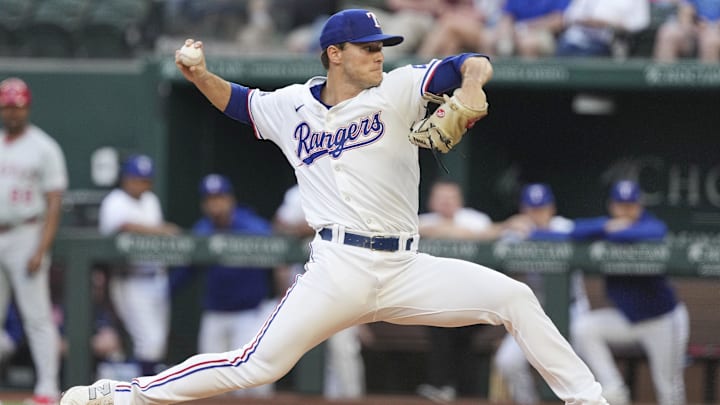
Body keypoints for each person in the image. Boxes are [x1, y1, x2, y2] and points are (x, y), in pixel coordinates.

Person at [60, 9, 609, 405]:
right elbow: (239, 103)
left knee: (513, 297)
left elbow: (475, 60)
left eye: (381, 46)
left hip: (405, 267)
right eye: (369, 47)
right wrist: (199, 74)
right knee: (258, 364)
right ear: (334, 53)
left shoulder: (397, 89)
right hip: (337, 268)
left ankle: (588, 400)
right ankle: (125, 394)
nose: (379, 54)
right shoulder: (291, 105)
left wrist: (468, 86)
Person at [569, 179, 689, 405]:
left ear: (639, 205)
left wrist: (614, 231)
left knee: (668, 388)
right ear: (612, 206)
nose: (625, 211)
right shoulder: (607, 226)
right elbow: (575, 230)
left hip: (662, 319)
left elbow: (656, 231)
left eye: (630, 205)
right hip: (629, 320)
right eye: (621, 205)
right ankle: (615, 390)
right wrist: (606, 227)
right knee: (584, 328)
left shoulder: (649, 226)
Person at [171, 173, 277, 398]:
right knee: (209, 385)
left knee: (253, 385)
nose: (215, 204)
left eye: (219, 197)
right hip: (215, 315)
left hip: (249, 315)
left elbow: (279, 258)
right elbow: (185, 272)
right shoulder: (202, 230)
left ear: (230, 199)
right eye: (210, 199)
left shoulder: (253, 227)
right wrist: (164, 292)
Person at [0, 77, 67, 405]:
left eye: (18, 106)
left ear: (27, 107)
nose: (12, 112)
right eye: (7, 106)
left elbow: (54, 201)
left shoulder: (44, 147)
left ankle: (47, 390)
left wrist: (41, 247)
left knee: (37, 317)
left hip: (27, 232)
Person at [273, 184, 372, 400]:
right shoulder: (298, 190)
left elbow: (346, 227)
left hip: (342, 284)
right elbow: (281, 225)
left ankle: (352, 398)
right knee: (295, 350)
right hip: (307, 283)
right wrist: (311, 227)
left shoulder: (348, 186)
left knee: (344, 350)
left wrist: (311, 227)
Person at [493, 183, 589, 405]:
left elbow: (568, 237)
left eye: (542, 209)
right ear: (523, 211)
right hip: (534, 311)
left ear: (552, 208)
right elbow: (498, 247)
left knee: (578, 359)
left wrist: (532, 234)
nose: (537, 214)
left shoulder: (563, 226)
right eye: (531, 210)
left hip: (572, 309)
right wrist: (506, 227)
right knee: (507, 361)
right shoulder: (515, 232)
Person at [416, 179, 503, 402]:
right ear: (431, 201)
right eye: (441, 198)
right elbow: (408, 230)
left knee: (460, 329)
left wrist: (452, 232)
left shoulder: (475, 218)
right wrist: (445, 230)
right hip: (435, 300)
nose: (446, 203)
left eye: (451, 198)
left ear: (460, 201)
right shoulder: (421, 220)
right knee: (441, 323)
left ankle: (453, 389)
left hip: (476, 299)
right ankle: (446, 388)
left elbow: (495, 232)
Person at [97, 154, 181, 377]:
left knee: (157, 343)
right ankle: (142, 395)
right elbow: (124, 226)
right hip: (128, 279)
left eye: (145, 180)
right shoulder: (114, 201)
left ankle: (143, 390)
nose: (141, 184)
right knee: (149, 341)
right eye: (136, 179)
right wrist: (161, 230)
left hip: (156, 277)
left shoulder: (151, 201)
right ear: (125, 179)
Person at [555, 0, 650, 58]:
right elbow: (570, 16)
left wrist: (610, 24)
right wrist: (587, 21)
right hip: (575, 39)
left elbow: (640, 23)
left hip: (607, 43)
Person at [492, 0, 570, 58]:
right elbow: (507, 17)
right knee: (495, 42)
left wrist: (525, 27)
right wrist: (506, 34)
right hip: (517, 31)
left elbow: (557, 22)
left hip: (547, 33)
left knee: (528, 43)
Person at [653, 0, 720, 63]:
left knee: (711, 41)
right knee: (668, 34)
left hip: (715, 33)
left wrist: (712, 27)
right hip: (694, 32)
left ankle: (709, 75)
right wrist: (693, 27)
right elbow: (685, 14)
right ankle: (663, 74)